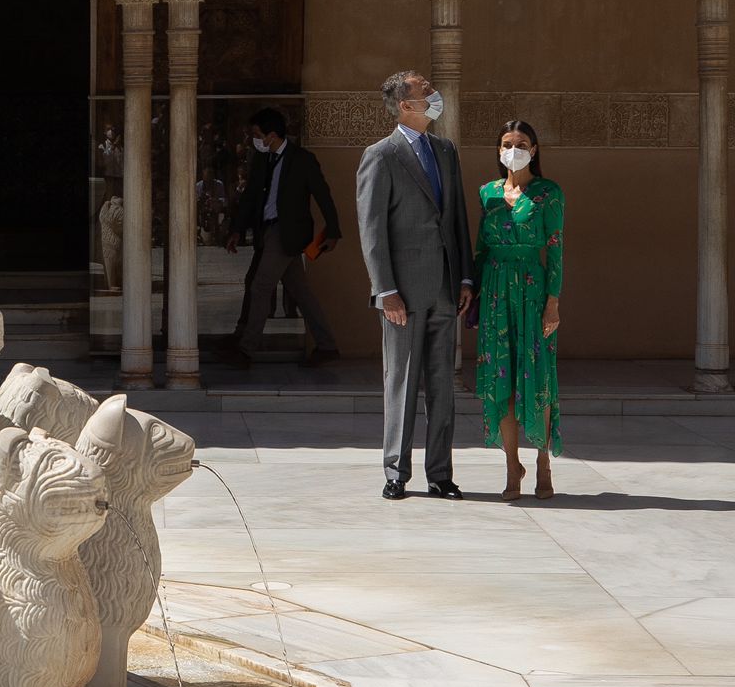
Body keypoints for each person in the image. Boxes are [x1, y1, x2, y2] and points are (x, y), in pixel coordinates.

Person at [357, 71, 473, 500]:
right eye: (426, 91)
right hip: (403, 294)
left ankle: (440, 473)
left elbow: (457, 218)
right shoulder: (381, 155)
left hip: (445, 288)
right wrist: (384, 289)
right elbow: (372, 229)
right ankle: (396, 472)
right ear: (406, 105)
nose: (433, 95)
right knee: (402, 382)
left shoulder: (445, 150)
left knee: (443, 383)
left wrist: (464, 276)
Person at [473, 120, 564, 499]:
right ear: (498, 150)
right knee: (502, 381)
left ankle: (542, 460)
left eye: (522, 143)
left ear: (535, 148)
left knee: (536, 375)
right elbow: (481, 248)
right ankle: (512, 465)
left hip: (531, 290)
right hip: (495, 290)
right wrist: (471, 293)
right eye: (508, 143)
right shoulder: (488, 192)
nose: (514, 149)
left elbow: (556, 249)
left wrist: (553, 304)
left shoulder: (548, 193)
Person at [224, 108, 342, 367]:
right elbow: (251, 197)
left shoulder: (302, 160)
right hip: (267, 232)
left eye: (257, 134)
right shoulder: (261, 160)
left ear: (271, 135)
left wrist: (333, 230)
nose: (254, 139)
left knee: (260, 285)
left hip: (287, 233)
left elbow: (323, 195)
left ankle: (246, 348)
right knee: (301, 292)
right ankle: (326, 345)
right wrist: (237, 229)